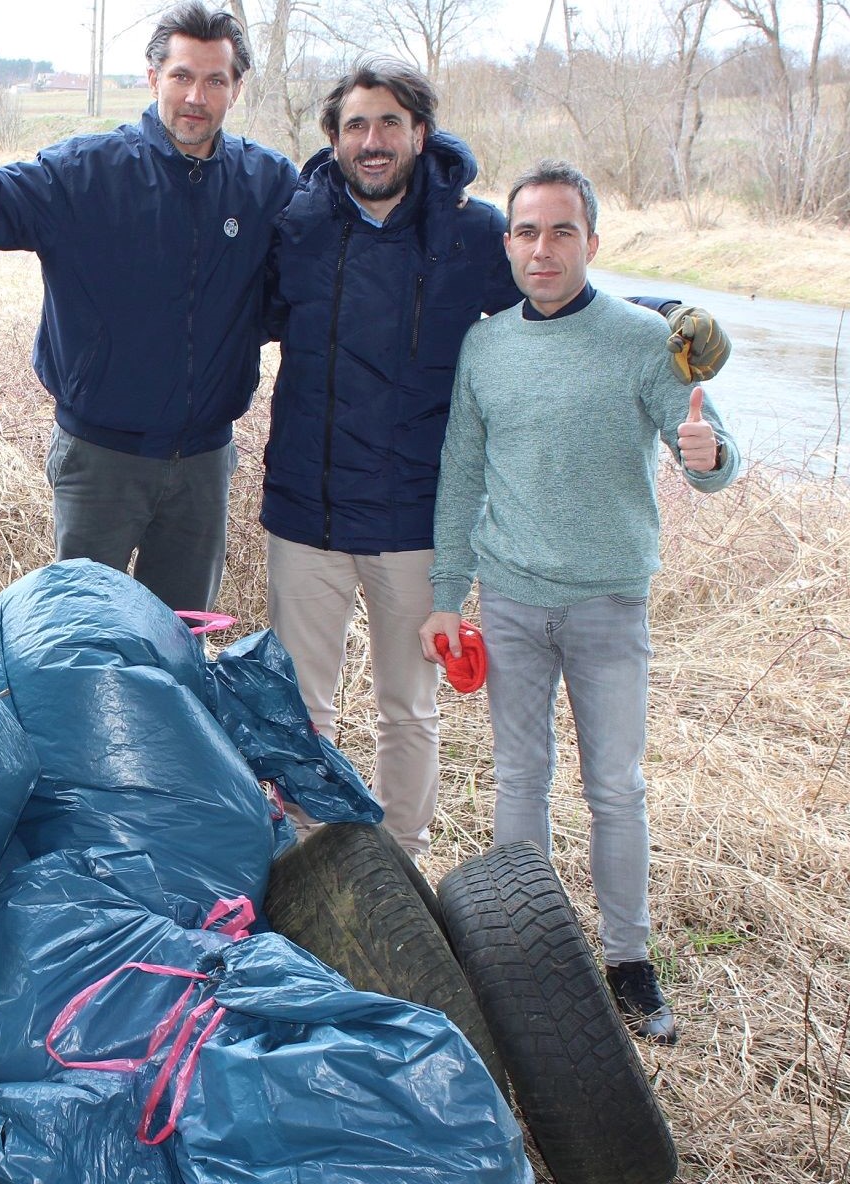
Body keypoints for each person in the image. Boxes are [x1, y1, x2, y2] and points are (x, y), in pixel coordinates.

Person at [259, 59, 730, 856]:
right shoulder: (299, 226)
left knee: (407, 706)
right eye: (355, 126)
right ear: (333, 139)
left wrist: (663, 313)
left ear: (420, 133)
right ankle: (306, 855)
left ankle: (401, 862)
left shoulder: (471, 231)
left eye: (389, 124)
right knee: (306, 706)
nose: (372, 142)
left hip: (412, 516)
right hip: (306, 510)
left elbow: (554, 290)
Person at [419, 159, 740, 1045]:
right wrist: (449, 594)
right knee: (521, 781)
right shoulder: (487, 346)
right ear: (509, 245)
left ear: (592, 242)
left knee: (616, 788)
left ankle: (629, 963)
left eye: (563, 231)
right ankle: (529, 955)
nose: (543, 248)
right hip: (512, 600)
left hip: (607, 604)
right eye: (526, 232)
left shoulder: (644, 340)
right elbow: (460, 479)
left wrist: (711, 458)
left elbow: (708, 455)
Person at [0, 2, 295, 611]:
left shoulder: (267, 183)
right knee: (83, 637)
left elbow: (315, 272)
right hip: (100, 461)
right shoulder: (84, 173)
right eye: (181, 76)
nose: (196, 95)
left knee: (180, 642)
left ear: (236, 88)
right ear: (153, 79)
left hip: (203, 462)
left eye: (214, 80)